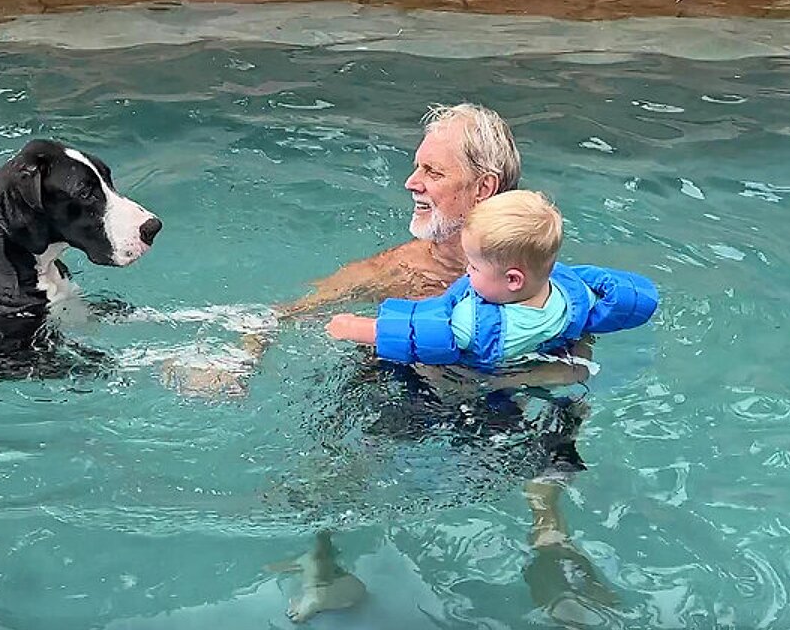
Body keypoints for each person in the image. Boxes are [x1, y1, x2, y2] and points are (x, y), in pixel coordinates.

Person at [171, 102, 621, 622]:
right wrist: (238, 363)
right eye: (417, 167)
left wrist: (532, 373)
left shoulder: (538, 276)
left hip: (502, 407)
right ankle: (325, 563)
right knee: (345, 414)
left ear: (483, 188)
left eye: (432, 171)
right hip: (417, 399)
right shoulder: (406, 268)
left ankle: (550, 539)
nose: (411, 182)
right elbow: (283, 315)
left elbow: (579, 364)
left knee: (553, 417)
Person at [325, 190, 658, 371]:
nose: (466, 273)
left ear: (513, 280)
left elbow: (418, 335)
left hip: (468, 392)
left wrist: (352, 327)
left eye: (473, 267)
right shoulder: (573, 295)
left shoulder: (474, 323)